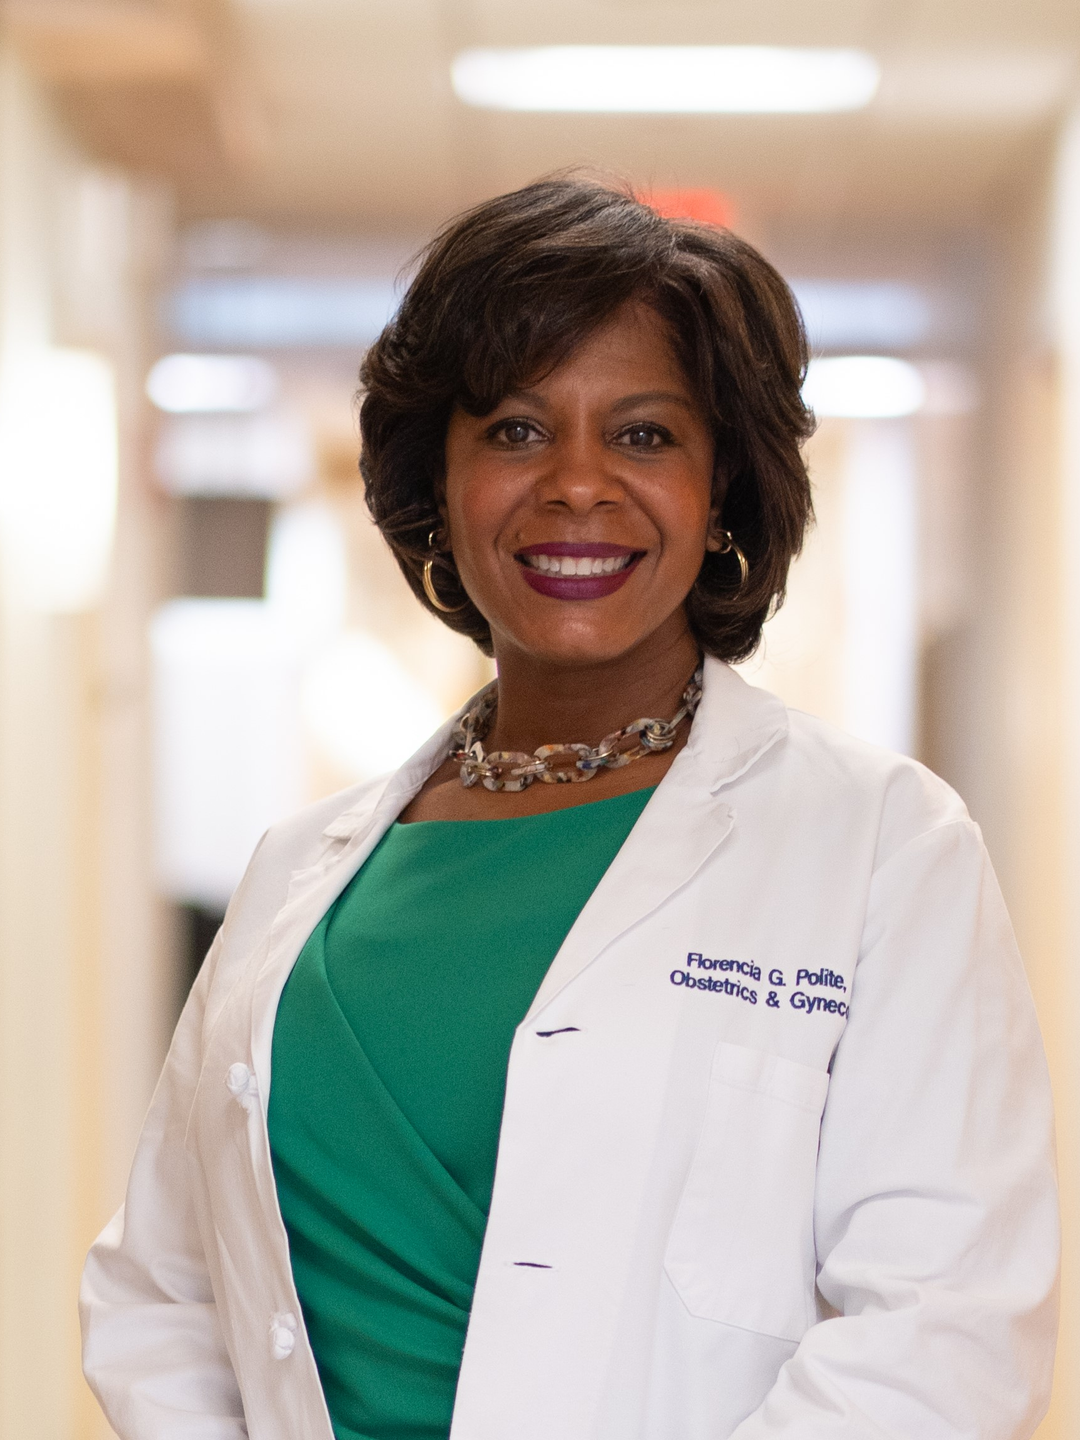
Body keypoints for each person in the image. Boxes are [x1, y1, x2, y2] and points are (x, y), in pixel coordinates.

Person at [81, 177, 1058, 1440]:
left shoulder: (884, 846)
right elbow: (165, 1290)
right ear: (439, 478)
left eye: (646, 435)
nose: (578, 485)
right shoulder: (295, 874)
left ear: (723, 498)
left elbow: (947, 1338)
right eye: (516, 431)